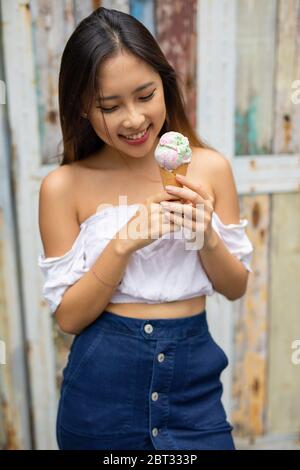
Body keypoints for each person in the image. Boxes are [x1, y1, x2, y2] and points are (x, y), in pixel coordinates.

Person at [38, 7, 253, 450]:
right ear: (82, 106)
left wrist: (207, 234)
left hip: (194, 386)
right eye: (109, 106)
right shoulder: (63, 187)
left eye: (144, 95)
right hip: (99, 394)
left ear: (165, 85)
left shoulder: (208, 168)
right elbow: (69, 317)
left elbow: (235, 287)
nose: (133, 119)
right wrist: (123, 244)